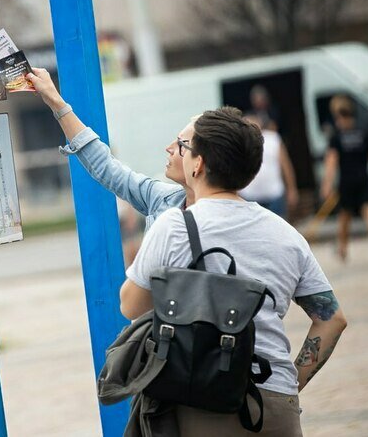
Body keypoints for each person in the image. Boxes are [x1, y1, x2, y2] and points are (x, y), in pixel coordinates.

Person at [119, 107, 347, 436]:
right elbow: (332, 319)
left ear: (198, 164)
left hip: (206, 401)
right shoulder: (286, 234)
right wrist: (290, 381)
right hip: (278, 404)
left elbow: (130, 305)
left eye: (185, 148)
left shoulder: (176, 225)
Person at [26, 67, 190, 230]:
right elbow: (107, 167)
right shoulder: (164, 198)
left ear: (201, 162)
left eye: (181, 145)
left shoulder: (213, 224)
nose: (169, 148)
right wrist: (55, 101)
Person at [320, 94, 368, 261]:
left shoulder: (336, 138)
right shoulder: (362, 133)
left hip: (346, 182)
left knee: (345, 216)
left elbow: (331, 162)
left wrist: (326, 184)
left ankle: (343, 249)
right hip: (363, 179)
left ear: (338, 116)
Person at [240, 114, 299, 218]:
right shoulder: (240, 142)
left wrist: (292, 189)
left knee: (278, 228)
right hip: (249, 196)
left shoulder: (273, 139)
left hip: (274, 193)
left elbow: (286, 165)